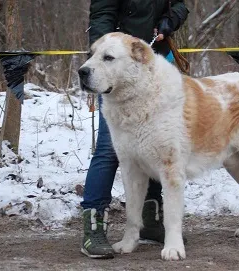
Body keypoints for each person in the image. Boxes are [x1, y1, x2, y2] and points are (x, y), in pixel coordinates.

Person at [80, 0, 189, 259]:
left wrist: (169, 21)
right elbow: (102, 13)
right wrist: (105, 50)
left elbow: (180, 6)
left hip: (155, 63)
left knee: (157, 149)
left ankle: (150, 221)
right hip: (116, 61)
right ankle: (93, 227)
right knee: (109, 151)